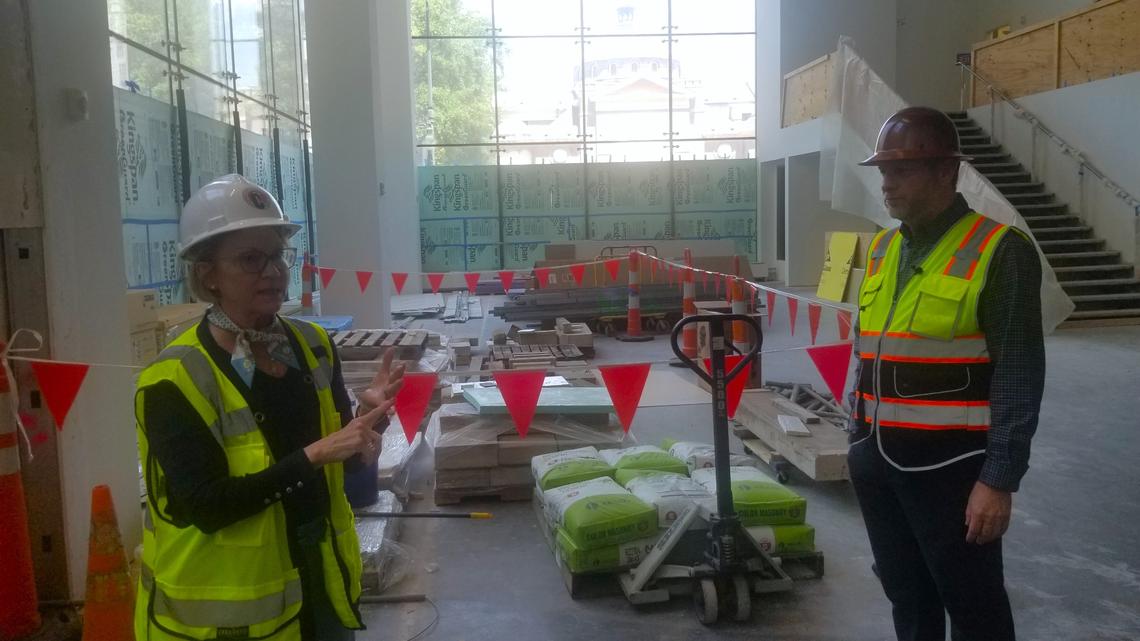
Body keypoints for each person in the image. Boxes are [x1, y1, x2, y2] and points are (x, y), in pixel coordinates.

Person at [134, 174, 404, 640]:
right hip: (227, 619)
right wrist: (316, 453)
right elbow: (208, 506)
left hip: (320, 584)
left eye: (277, 255)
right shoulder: (171, 380)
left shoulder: (312, 346)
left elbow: (349, 478)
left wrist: (364, 427)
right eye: (250, 259)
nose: (273, 271)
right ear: (208, 275)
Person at [846, 107, 1045, 641]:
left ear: (945, 173)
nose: (886, 185)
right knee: (906, 596)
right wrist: (856, 438)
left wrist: (999, 479)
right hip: (878, 459)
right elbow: (868, 350)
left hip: (952, 469)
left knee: (973, 605)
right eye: (883, 172)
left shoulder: (1000, 251)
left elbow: (1019, 374)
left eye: (901, 171)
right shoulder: (885, 247)